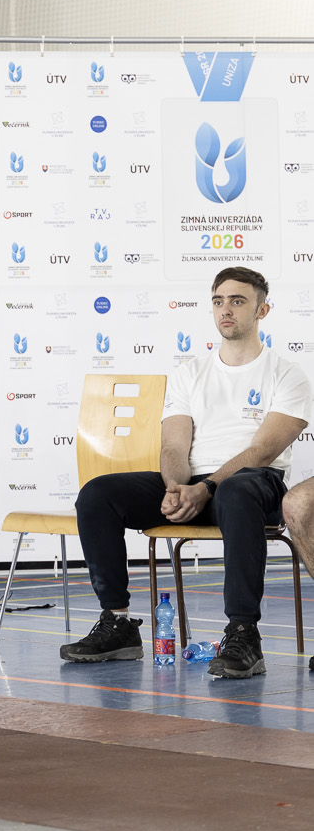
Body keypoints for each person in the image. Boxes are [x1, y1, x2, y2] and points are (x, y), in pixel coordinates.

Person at [60, 267, 310, 679]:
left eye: (238, 301)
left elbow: (261, 451)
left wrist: (207, 487)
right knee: (98, 493)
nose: (225, 310)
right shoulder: (189, 373)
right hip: (194, 486)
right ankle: (117, 624)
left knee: (236, 490)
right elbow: (174, 446)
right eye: (218, 301)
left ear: (262, 310)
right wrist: (176, 487)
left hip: (254, 486)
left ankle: (243, 633)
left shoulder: (287, 373)